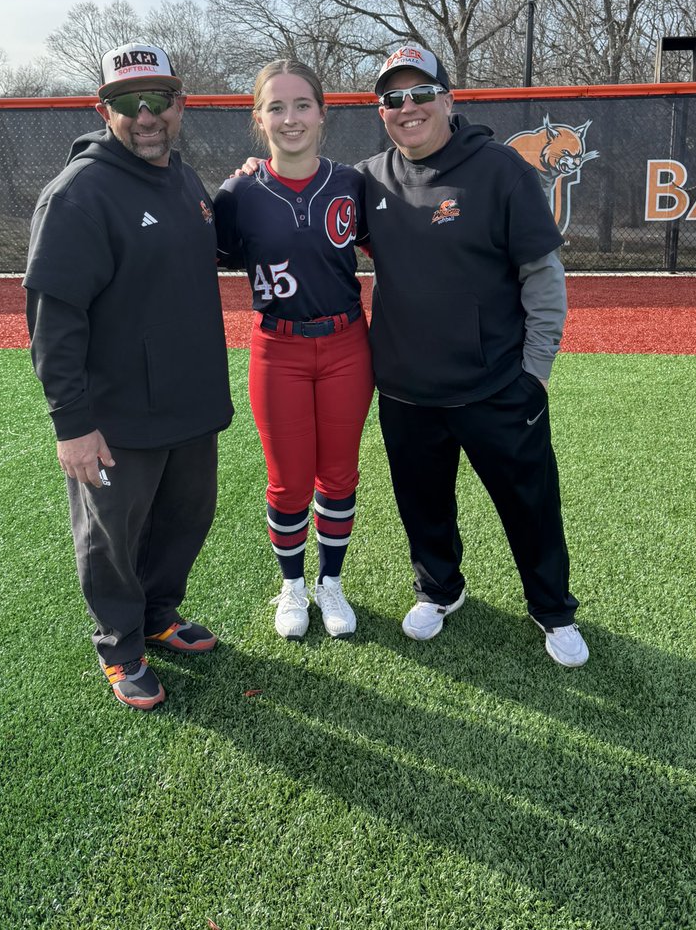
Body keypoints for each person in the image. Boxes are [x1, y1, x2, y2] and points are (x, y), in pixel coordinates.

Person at [359, 44, 587, 666]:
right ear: (381, 111)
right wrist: (254, 172)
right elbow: (304, 209)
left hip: (496, 387)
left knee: (530, 504)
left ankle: (552, 608)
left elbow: (542, 275)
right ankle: (440, 589)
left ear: (447, 99)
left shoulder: (499, 169)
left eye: (420, 93)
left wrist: (534, 373)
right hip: (407, 390)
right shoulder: (368, 179)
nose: (408, 108)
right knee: (422, 506)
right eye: (393, 98)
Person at [24, 42, 234, 710]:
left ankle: (159, 614)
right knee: (112, 538)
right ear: (103, 109)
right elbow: (54, 322)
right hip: (116, 419)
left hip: (190, 406)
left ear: (181, 103)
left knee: (185, 520)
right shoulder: (78, 194)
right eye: (127, 102)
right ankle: (120, 645)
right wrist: (72, 426)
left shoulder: (184, 179)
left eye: (160, 99)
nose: (147, 116)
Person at [214, 60, 374, 641]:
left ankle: (330, 581)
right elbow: (211, 258)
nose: (290, 118)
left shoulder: (352, 184)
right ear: (259, 119)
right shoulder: (237, 193)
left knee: (338, 474)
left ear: (322, 113)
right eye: (276, 107)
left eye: (302, 104)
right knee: (287, 481)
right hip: (276, 349)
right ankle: (292, 586)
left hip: (347, 345)